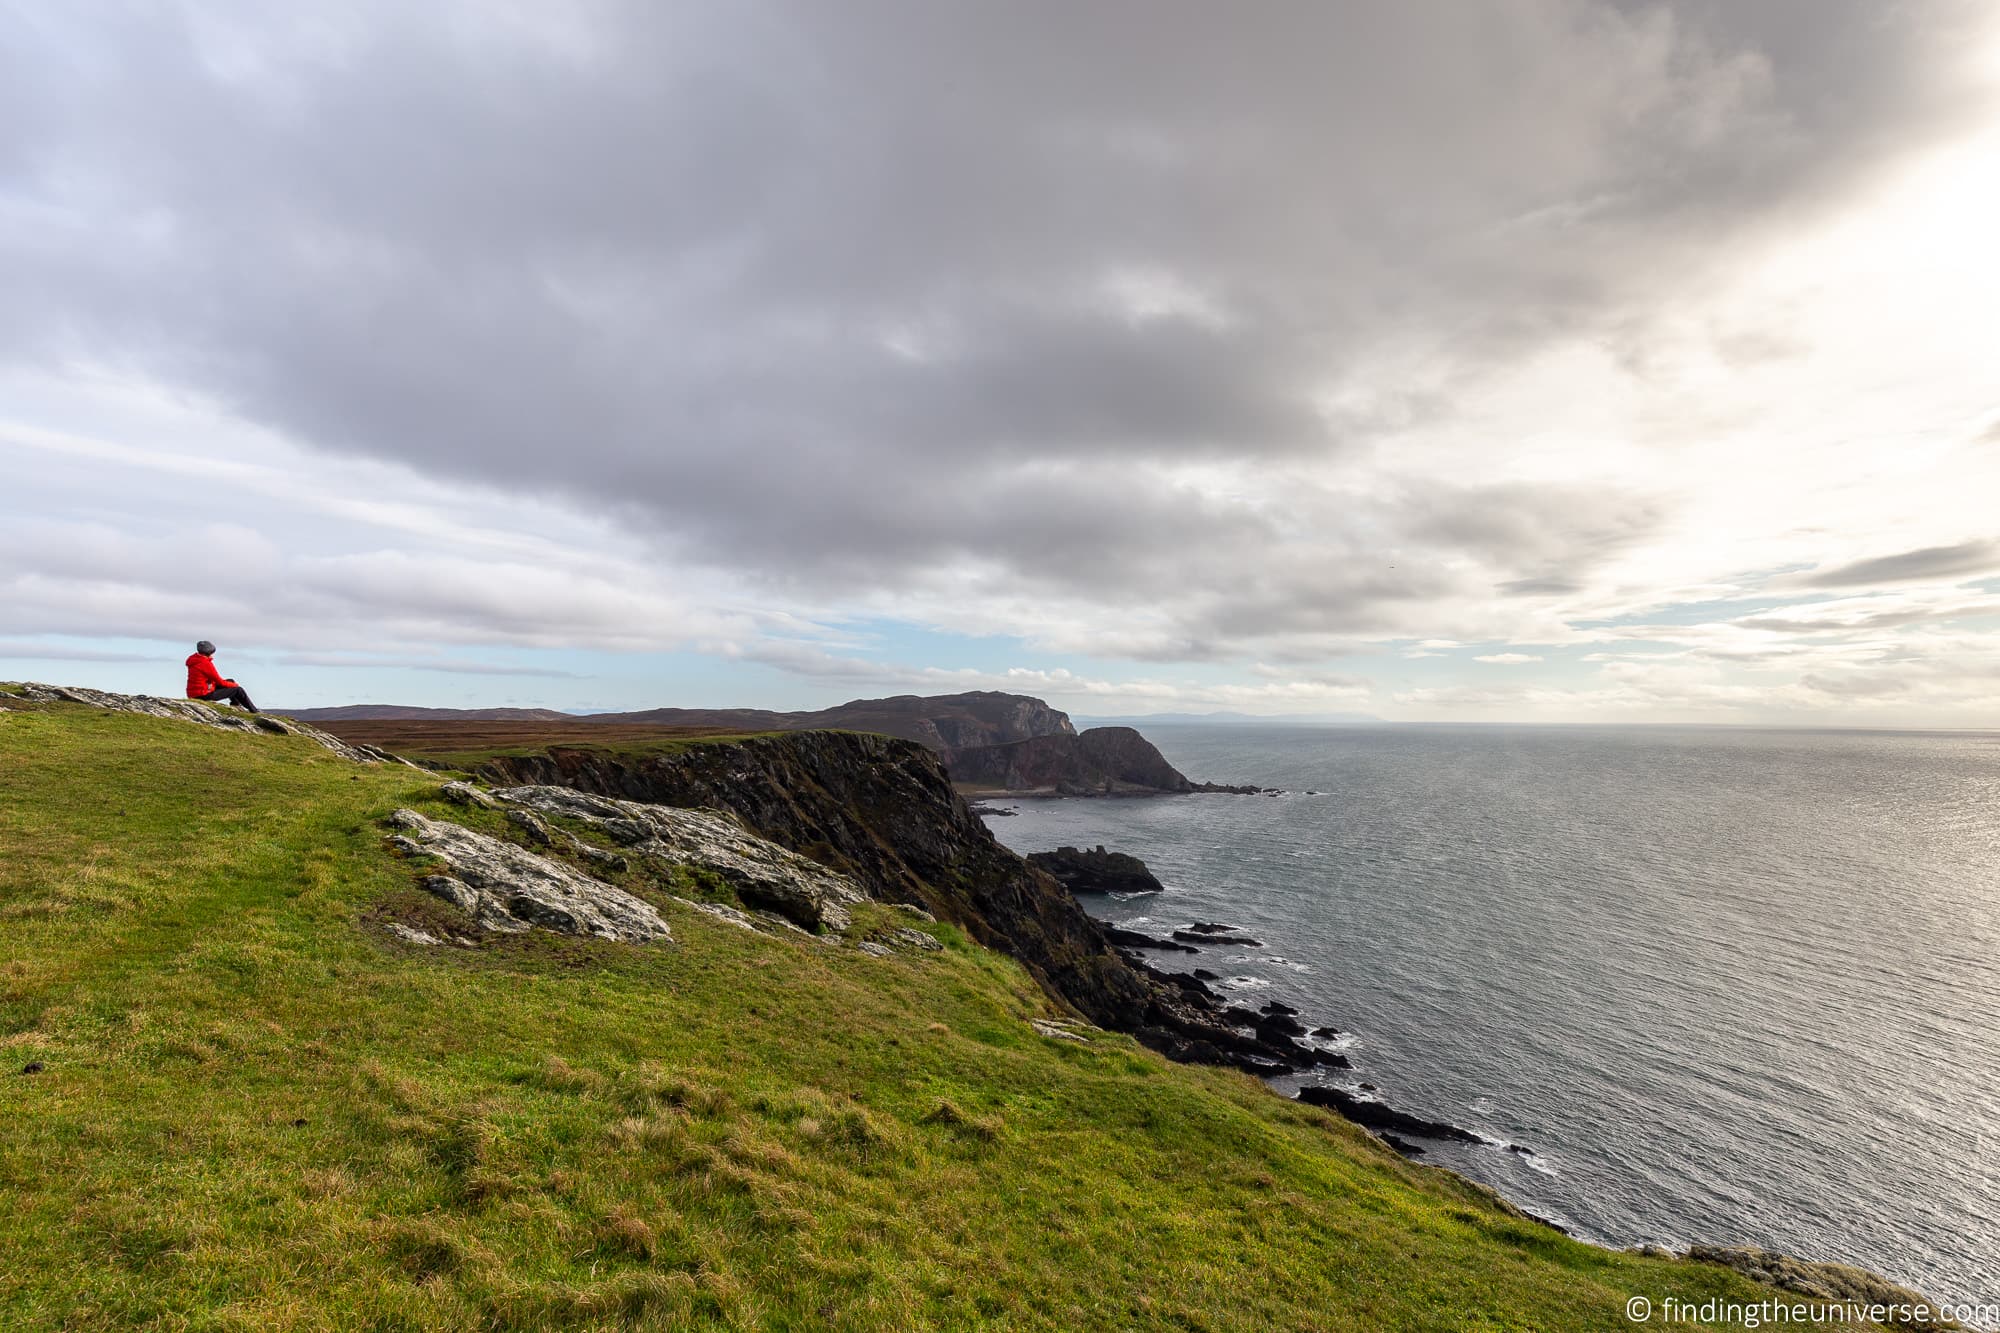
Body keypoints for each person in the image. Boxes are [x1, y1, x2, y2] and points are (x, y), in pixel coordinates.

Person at [185, 640, 259, 713]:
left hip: (195, 693)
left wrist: (231, 684)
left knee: (230, 681)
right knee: (238, 690)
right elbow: (220, 682)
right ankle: (254, 711)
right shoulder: (205, 663)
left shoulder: (195, 660)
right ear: (208, 652)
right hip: (203, 695)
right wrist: (234, 685)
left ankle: (235, 705)